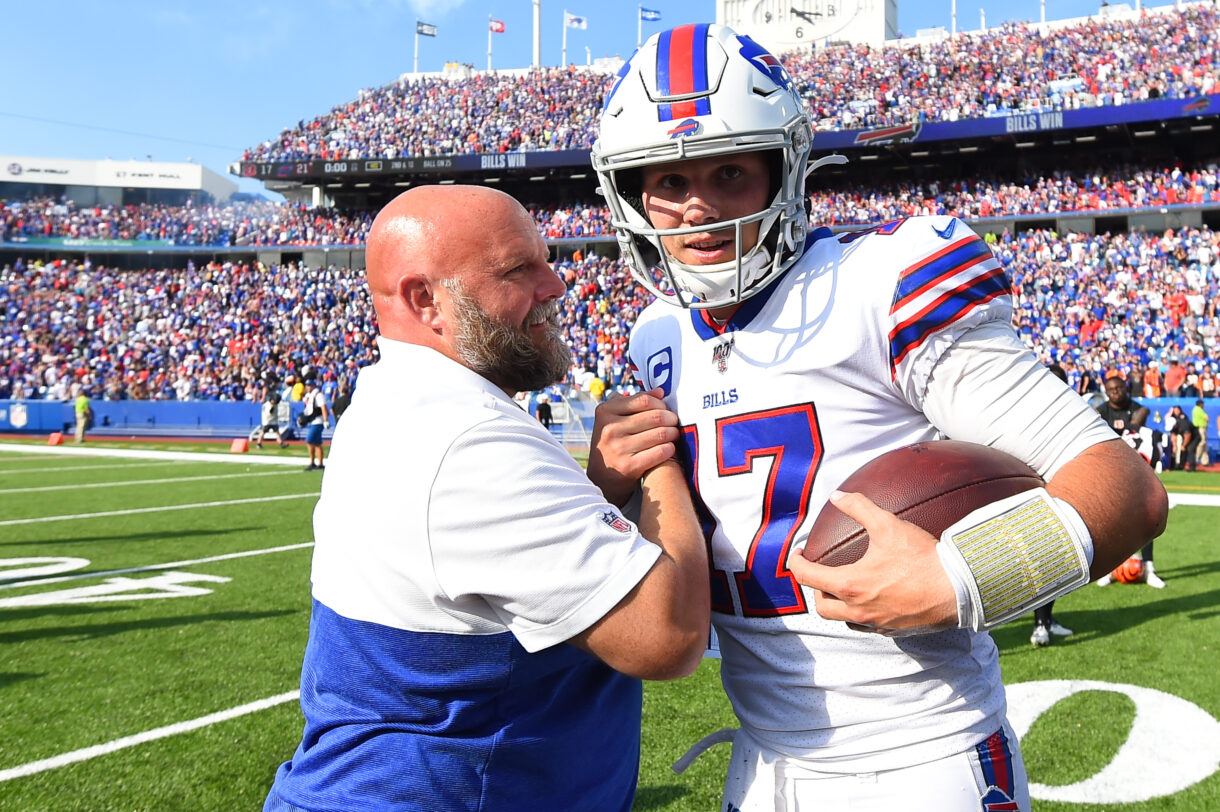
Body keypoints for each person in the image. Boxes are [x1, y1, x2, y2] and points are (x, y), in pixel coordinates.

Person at [592, 23, 1167, 812]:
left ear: (782, 170)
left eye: (729, 172)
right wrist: (611, 487)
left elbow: (1124, 488)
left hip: (922, 757)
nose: (696, 208)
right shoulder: (656, 336)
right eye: (666, 179)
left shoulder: (879, 283)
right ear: (630, 194)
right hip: (761, 763)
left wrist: (959, 577)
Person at [263, 185, 709, 812]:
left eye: (547, 261)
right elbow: (668, 635)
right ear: (426, 299)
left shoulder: (398, 398)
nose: (555, 287)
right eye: (519, 269)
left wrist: (602, 489)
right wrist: (660, 453)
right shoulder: (472, 439)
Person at [1030, 364, 1076, 647]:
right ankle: (1037, 623)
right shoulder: (1027, 409)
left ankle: (1046, 619)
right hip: (1031, 490)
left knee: (1056, 559)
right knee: (1036, 560)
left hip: (1059, 488)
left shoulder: (1069, 412)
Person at [298, 376, 330, 471]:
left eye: (309, 385)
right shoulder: (309, 396)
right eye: (307, 385)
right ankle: (320, 464)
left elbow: (323, 408)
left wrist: (325, 420)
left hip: (318, 421)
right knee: (317, 443)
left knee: (309, 440)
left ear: (313, 386)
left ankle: (312, 462)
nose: (307, 387)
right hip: (313, 421)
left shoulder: (318, 395)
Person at [1191, 398, 1210, 467]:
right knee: (1202, 443)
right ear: (1200, 404)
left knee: (1204, 446)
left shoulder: (1194, 409)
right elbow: (1207, 418)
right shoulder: (1198, 409)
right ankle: (1196, 458)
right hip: (1200, 428)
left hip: (1199, 428)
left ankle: (1205, 461)